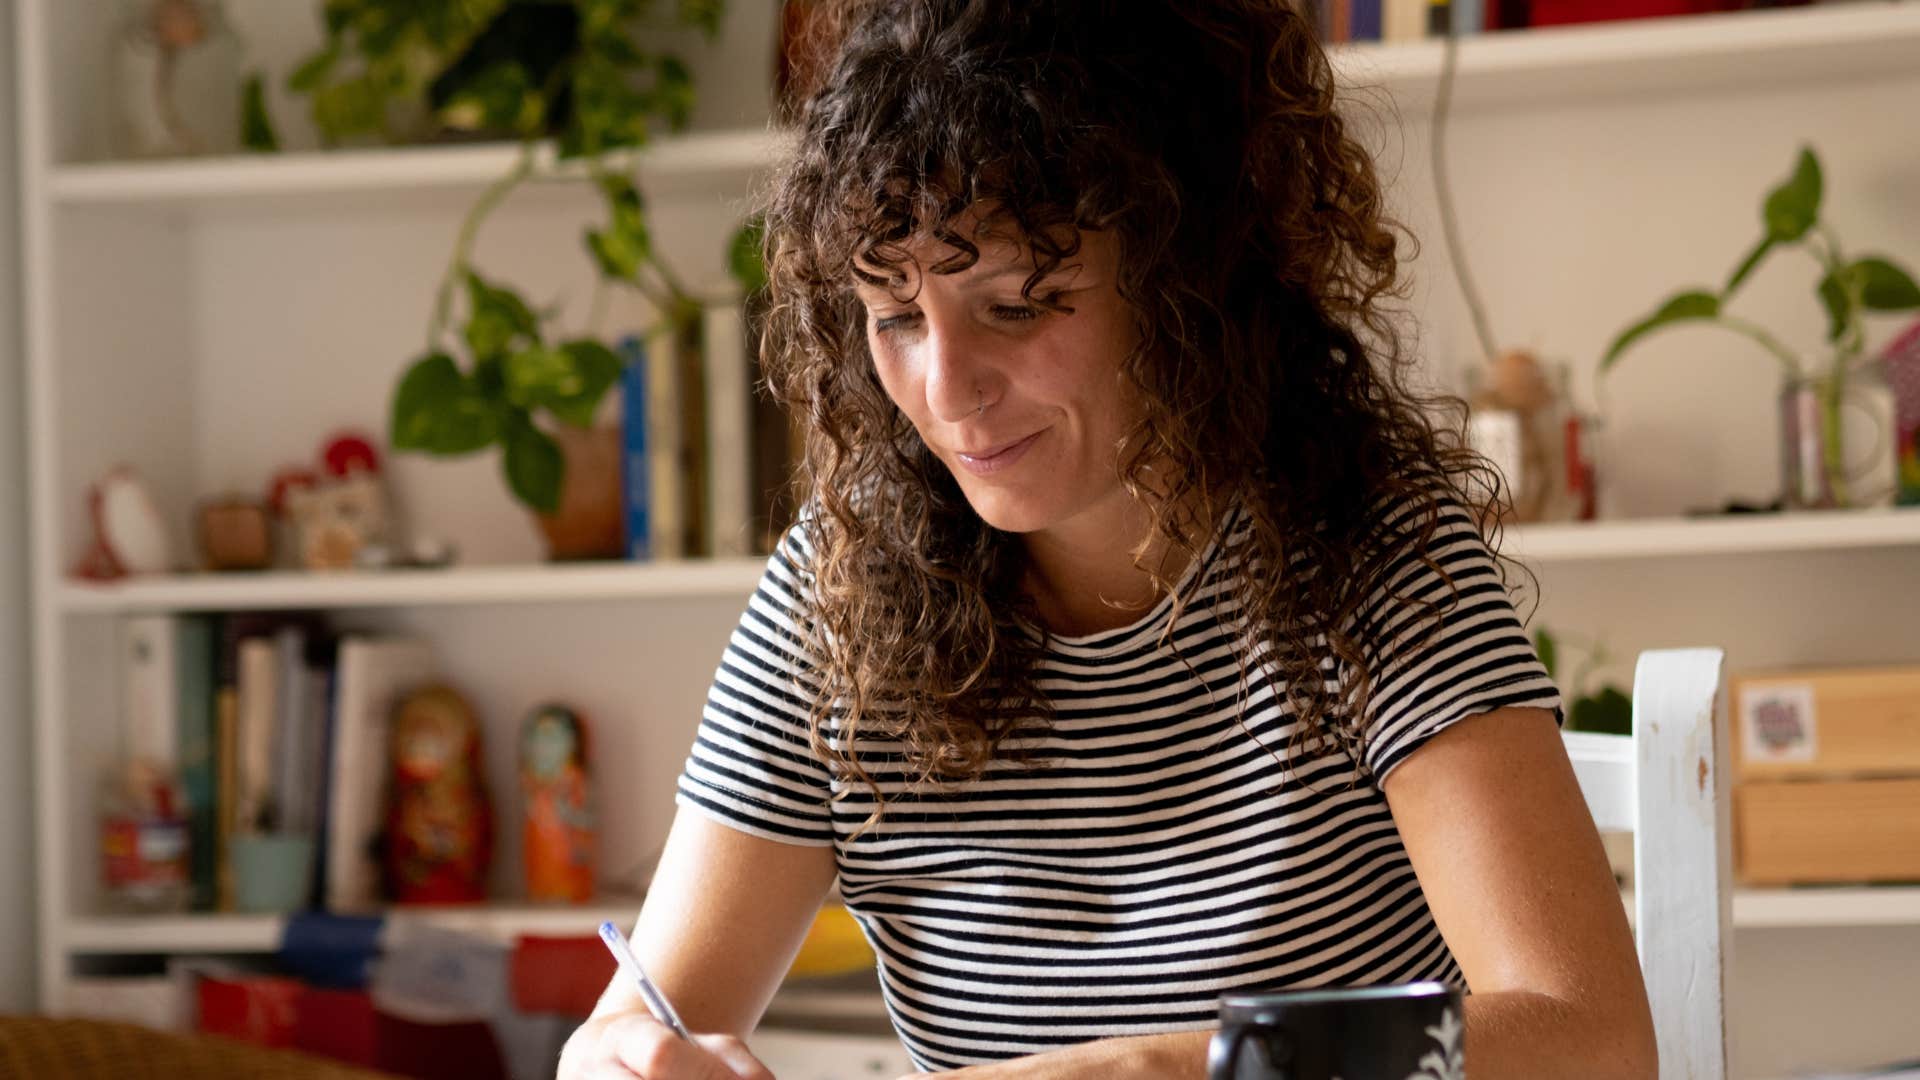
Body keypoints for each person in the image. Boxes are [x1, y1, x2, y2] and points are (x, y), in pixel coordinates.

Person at [559, 1, 1655, 1076]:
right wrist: (627, 1058)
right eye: (895, 318)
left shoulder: (1371, 553)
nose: (947, 391)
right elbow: (628, 1024)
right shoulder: (838, 592)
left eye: (1014, 305)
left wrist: (1157, 1071)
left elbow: (1593, 1039)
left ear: (1182, 275)